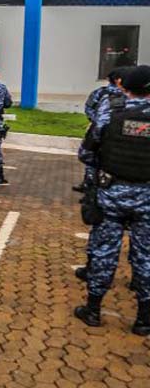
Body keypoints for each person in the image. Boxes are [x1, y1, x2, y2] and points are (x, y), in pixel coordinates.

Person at [75, 65, 150, 336]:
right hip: (147, 198)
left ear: (124, 86)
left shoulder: (111, 111)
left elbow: (86, 153)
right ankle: (144, 318)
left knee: (104, 250)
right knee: (146, 256)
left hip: (112, 194)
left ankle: (93, 309)